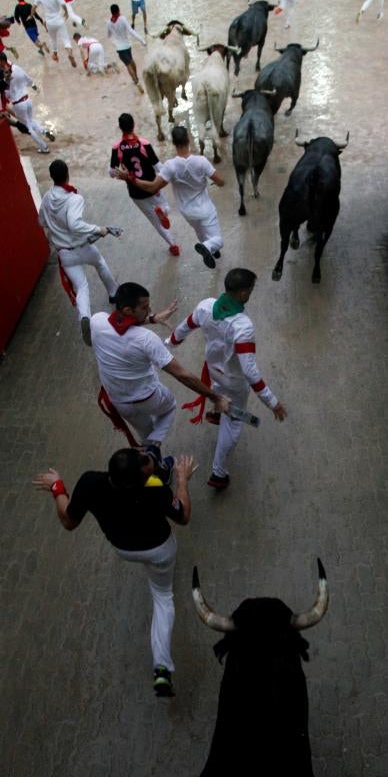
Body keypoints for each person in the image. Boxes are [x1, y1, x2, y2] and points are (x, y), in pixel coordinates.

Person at [32, 448, 198, 697]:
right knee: (163, 597)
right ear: (142, 477)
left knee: (159, 594)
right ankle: (161, 667)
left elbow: (68, 521)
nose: (146, 456)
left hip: (125, 548)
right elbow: (183, 516)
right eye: (143, 460)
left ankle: (163, 668)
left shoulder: (90, 482)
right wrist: (183, 480)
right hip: (160, 550)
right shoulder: (156, 491)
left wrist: (57, 487)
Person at [165, 268, 287, 489]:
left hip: (212, 370)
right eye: (250, 289)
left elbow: (184, 327)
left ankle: (215, 412)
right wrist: (273, 402)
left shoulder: (205, 306)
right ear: (242, 294)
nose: (251, 293)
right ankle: (218, 472)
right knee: (234, 423)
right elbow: (250, 372)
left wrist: (167, 345)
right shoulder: (243, 326)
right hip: (234, 382)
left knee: (218, 393)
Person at [91, 281, 230, 448]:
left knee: (145, 435)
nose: (149, 310)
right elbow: (181, 375)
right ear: (128, 310)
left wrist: (152, 319)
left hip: (118, 401)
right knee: (170, 407)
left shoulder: (97, 321)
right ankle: (154, 446)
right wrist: (215, 397)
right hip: (148, 398)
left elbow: (117, 325)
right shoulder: (145, 339)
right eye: (144, 308)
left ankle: (151, 455)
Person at [38, 159, 119, 345]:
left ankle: (85, 317)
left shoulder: (47, 198)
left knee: (82, 287)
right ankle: (114, 292)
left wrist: (56, 227)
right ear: (67, 174)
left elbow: (41, 221)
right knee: (99, 262)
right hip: (82, 247)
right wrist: (98, 229)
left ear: (52, 177)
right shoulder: (74, 198)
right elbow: (74, 224)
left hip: (64, 253)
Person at [133, 126, 225, 269]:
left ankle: (210, 248)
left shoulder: (170, 166)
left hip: (187, 212)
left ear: (173, 143)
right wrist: (212, 181)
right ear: (189, 140)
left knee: (200, 231)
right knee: (218, 240)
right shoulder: (201, 161)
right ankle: (209, 247)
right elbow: (221, 181)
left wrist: (131, 179)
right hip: (205, 208)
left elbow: (152, 187)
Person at [110, 113, 180, 257]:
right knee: (165, 206)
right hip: (152, 186)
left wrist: (121, 174)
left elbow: (111, 173)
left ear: (120, 128)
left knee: (156, 223)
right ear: (133, 125)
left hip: (136, 192)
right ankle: (164, 211)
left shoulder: (117, 148)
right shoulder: (144, 143)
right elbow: (158, 167)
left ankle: (173, 245)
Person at [0, 52, 54, 152]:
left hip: (18, 104)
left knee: (28, 127)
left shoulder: (4, 77)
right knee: (31, 121)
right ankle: (44, 130)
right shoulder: (16, 68)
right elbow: (28, 78)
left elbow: (6, 94)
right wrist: (33, 86)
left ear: (2, 61)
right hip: (27, 99)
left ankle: (44, 148)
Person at [32, 0, 76, 67]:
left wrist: (30, 15)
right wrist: (66, 13)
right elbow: (63, 4)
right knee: (66, 40)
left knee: (53, 40)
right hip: (59, 21)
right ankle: (70, 54)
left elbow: (34, 7)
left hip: (49, 22)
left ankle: (55, 55)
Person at [107, 3, 145, 93]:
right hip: (127, 45)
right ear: (118, 10)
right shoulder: (122, 19)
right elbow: (131, 31)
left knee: (128, 65)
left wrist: (113, 40)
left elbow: (108, 35)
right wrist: (141, 40)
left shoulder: (109, 23)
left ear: (111, 12)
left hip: (119, 48)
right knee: (131, 61)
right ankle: (136, 78)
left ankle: (136, 81)